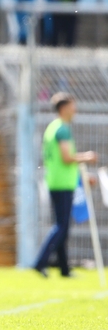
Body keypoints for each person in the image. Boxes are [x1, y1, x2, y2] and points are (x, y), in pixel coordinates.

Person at [34, 92, 96, 277]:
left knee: (63, 225)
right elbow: (67, 157)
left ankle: (64, 269)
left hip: (57, 180)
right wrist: (87, 157)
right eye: (72, 105)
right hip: (63, 183)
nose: (75, 109)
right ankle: (40, 262)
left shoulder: (53, 127)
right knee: (61, 226)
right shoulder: (62, 129)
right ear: (63, 108)